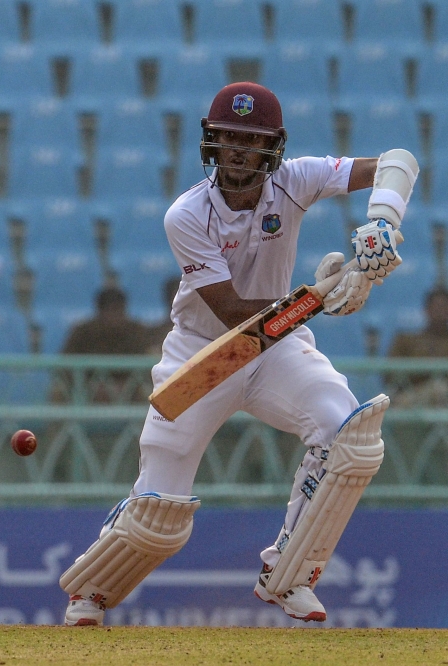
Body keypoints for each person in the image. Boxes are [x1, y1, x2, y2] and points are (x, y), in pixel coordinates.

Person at [60, 82, 419, 626]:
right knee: (160, 507)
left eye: (250, 141)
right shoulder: (186, 215)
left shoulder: (297, 179)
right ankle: (90, 590)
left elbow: (399, 160)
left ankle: (289, 574)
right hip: (204, 353)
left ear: (273, 147)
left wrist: (383, 224)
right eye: (227, 138)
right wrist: (324, 292)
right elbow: (236, 317)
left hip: (279, 351)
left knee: (348, 432)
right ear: (210, 142)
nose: (237, 151)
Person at [53, 286, 154, 403]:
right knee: (57, 392)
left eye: (119, 310)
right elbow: (64, 366)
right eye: (110, 311)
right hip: (86, 391)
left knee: (149, 394)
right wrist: (90, 385)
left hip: (130, 390)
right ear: (100, 311)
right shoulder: (82, 332)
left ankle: (151, 422)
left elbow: (149, 367)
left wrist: (123, 386)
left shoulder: (137, 332)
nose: (115, 317)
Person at [385, 286, 448, 406]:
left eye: (444, 307)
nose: (440, 312)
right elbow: (389, 375)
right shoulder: (405, 340)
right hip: (409, 400)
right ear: (426, 310)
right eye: (437, 307)